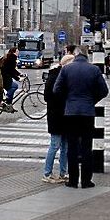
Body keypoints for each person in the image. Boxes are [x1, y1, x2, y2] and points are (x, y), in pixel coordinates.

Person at [54, 48, 109, 189]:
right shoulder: (94, 70)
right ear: (87, 56)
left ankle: (72, 180)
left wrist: (68, 100)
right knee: (86, 147)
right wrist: (92, 100)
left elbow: (56, 89)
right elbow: (104, 91)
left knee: (72, 147)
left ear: (76, 55)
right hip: (87, 113)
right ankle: (86, 180)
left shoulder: (66, 69)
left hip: (71, 113)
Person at [42, 53, 74, 183]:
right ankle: (47, 173)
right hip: (57, 115)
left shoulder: (57, 75)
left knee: (65, 146)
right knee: (55, 145)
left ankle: (63, 172)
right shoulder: (57, 77)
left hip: (62, 115)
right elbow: (49, 96)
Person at [0, 48, 22, 112]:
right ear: (14, 52)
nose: (18, 52)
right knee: (15, 86)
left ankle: (10, 106)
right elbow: (10, 71)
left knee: (11, 90)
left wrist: (19, 74)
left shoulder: (8, 57)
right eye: (17, 51)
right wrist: (17, 78)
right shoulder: (12, 58)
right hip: (4, 78)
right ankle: (7, 99)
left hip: (2, 77)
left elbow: (12, 69)